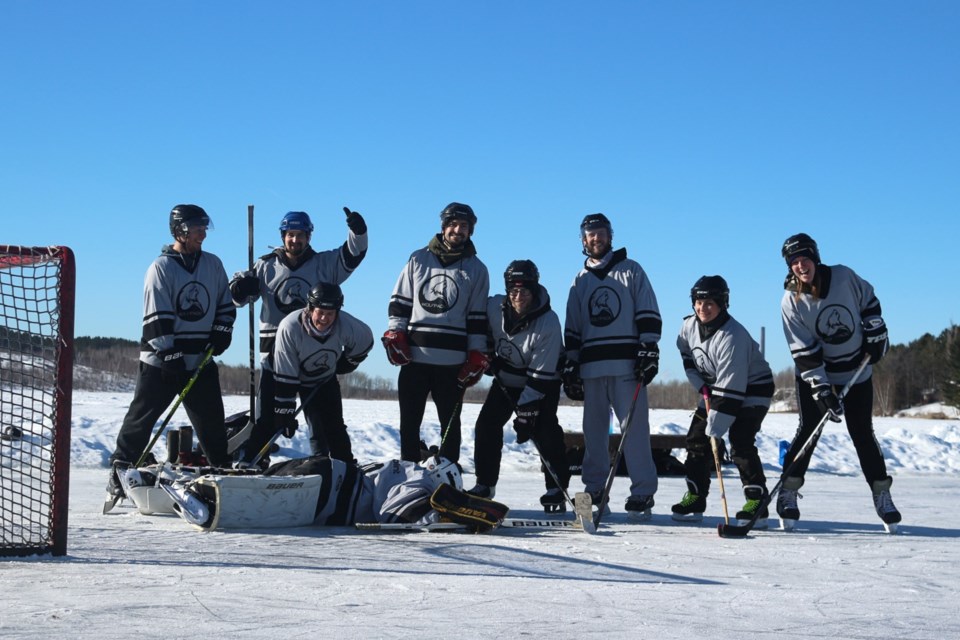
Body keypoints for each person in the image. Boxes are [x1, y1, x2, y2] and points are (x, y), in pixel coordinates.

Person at [105, 204, 236, 509]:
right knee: (141, 419)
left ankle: (222, 472)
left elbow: (224, 305)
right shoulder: (161, 267)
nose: (203, 233)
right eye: (196, 228)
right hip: (161, 363)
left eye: (204, 227)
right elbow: (155, 316)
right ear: (179, 230)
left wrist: (221, 331)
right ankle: (119, 469)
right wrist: (170, 353)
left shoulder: (213, 265)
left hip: (199, 361)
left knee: (212, 424)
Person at [779, 233, 900, 531]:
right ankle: (788, 491)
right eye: (793, 261)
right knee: (809, 429)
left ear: (815, 257)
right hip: (816, 372)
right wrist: (821, 389)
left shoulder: (844, 277)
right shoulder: (790, 302)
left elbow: (869, 302)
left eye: (804, 258)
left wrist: (875, 330)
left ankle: (881, 494)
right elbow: (804, 353)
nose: (800, 265)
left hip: (856, 369)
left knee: (861, 431)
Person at [228, 208, 367, 448]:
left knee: (325, 429)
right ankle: (256, 469)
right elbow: (235, 296)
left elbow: (353, 255)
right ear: (283, 236)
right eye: (291, 234)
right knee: (266, 423)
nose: (295, 240)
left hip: (316, 359)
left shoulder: (323, 264)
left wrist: (358, 231)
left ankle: (328, 470)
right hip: (274, 358)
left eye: (301, 235)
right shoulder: (265, 265)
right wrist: (241, 287)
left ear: (309, 237)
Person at [562, 213, 661, 520]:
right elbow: (574, 328)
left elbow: (648, 310)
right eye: (590, 234)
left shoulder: (631, 270)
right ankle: (593, 489)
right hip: (592, 369)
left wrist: (649, 347)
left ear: (610, 236)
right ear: (583, 240)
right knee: (593, 433)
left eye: (601, 233)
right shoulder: (580, 280)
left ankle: (643, 491)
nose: (596, 238)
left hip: (626, 367)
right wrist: (571, 364)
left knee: (634, 431)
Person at [383, 203, 490, 463]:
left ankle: (449, 473)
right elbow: (400, 304)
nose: (458, 230)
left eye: (464, 226)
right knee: (409, 423)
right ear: (443, 227)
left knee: (450, 427)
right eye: (453, 224)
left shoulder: (477, 269)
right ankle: (408, 471)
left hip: (451, 364)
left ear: (470, 231)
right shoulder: (418, 259)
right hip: (415, 360)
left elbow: (476, 319)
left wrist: (476, 352)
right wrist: (396, 333)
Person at [164, 454, 507, 532]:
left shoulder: (404, 467)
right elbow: (397, 515)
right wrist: (440, 517)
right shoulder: (420, 480)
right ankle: (204, 500)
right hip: (328, 492)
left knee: (262, 478)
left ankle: (183, 482)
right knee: (265, 490)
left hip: (329, 471)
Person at [671, 276, 776, 527]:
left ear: (722, 304)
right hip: (714, 388)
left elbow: (731, 388)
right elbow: (687, 355)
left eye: (709, 303)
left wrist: (716, 430)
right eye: (698, 302)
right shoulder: (688, 327)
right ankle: (695, 497)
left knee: (740, 441)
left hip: (752, 389)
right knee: (697, 439)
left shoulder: (733, 336)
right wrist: (701, 385)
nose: (702, 308)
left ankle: (756, 503)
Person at [467, 260, 571, 512]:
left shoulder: (548, 322)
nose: (518, 296)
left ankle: (556, 488)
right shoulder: (493, 306)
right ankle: (485, 484)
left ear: (534, 291)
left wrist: (527, 412)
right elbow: (476, 324)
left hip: (541, 383)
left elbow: (541, 376)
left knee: (545, 430)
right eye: (513, 291)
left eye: (524, 291)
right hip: (506, 380)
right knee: (486, 426)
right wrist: (484, 352)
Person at [237, 282, 374, 466]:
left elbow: (365, 343)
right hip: (278, 373)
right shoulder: (290, 327)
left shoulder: (348, 326)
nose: (325, 318)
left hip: (321, 379)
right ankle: (251, 462)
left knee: (331, 427)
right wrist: (285, 411)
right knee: (268, 421)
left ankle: (338, 467)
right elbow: (285, 376)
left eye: (330, 313)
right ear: (309, 308)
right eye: (320, 312)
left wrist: (345, 363)